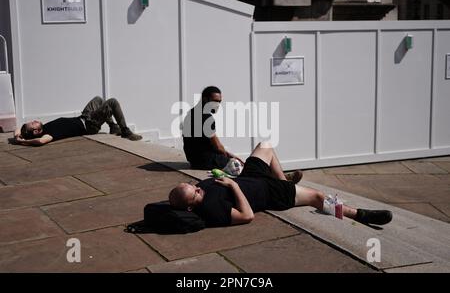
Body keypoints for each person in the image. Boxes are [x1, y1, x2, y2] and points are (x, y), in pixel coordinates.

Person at [169, 142, 393, 227]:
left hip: (251, 177)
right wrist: (233, 187)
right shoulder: (212, 210)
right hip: (270, 193)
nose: (199, 189)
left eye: (194, 186)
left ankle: (283, 177)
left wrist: (228, 174)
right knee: (316, 197)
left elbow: (209, 182)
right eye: (195, 194)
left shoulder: (199, 192)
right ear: (190, 207)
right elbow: (247, 216)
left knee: (265, 145)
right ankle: (359, 215)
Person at [14, 96, 142, 146]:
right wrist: (24, 143)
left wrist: (18, 137)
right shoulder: (47, 134)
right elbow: (40, 141)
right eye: (32, 123)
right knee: (112, 102)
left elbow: (18, 129)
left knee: (98, 100)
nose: (34, 121)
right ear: (36, 131)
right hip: (89, 125)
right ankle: (125, 131)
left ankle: (113, 126)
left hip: (84, 117)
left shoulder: (43, 127)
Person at [182, 86, 243, 170]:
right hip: (205, 161)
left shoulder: (192, 112)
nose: (217, 105)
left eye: (219, 102)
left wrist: (227, 154)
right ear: (205, 99)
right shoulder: (206, 117)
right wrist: (227, 157)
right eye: (214, 101)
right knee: (239, 165)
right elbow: (218, 147)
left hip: (194, 160)